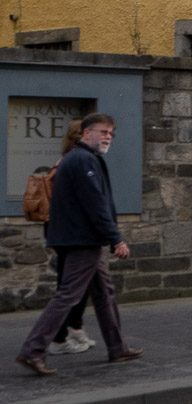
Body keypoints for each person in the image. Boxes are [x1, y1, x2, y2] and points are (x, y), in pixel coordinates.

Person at [14, 112, 142, 376]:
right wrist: (115, 238)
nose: (108, 137)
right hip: (83, 240)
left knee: (104, 293)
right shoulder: (84, 160)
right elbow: (95, 204)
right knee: (68, 295)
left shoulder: (82, 159)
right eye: (102, 132)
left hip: (83, 239)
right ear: (86, 133)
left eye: (110, 133)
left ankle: (117, 347)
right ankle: (33, 350)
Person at [44, 122, 95, 357]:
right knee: (68, 287)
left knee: (80, 286)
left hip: (68, 231)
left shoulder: (70, 160)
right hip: (70, 232)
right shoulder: (73, 162)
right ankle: (58, 338)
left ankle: (74, 328)